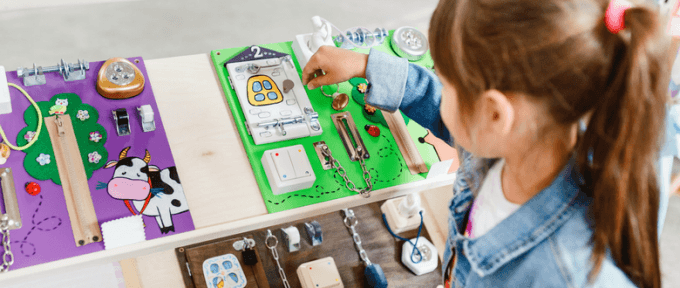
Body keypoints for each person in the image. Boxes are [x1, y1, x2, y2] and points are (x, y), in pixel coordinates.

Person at [301, 0, 670, 287]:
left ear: (495, 114)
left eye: (446, 81)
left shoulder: (562, 274)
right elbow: (447, 111)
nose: (440, 90)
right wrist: (368, 65)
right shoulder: (519, 141)